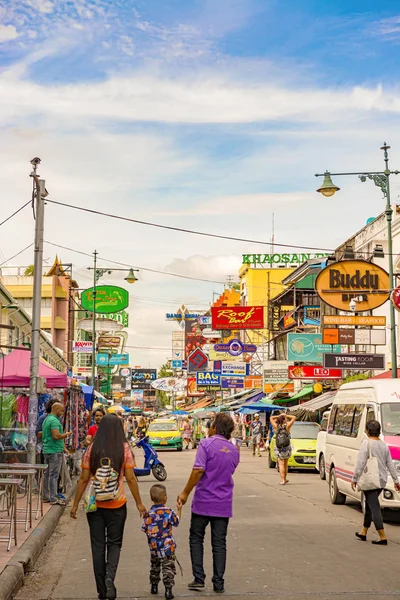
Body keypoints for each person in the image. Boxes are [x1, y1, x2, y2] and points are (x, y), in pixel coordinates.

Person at [70, 415, 146, 600]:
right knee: (114, 544)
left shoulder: (91, 448)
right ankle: (110, 578)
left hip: (94, 506)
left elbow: (83, 479)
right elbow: (130, 478)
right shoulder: (124, 448)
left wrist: (74, 504)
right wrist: (139, 502)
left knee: (97, 546)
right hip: (117, 504)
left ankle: (101, 591)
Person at [177, 412, 239, 594]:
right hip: (223, 503)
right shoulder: (234, 450)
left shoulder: (206, 444)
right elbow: (230, 470)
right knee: (219, 543)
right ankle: (218, 583)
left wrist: (185, 492)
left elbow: (198, 471)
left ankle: (199, 578)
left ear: (215, 428)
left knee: (196, 538)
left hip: (204, 501)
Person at [352, 420, 400, 545]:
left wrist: (355, 478)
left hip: (370, 479)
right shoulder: (384, 445)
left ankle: (382, 535)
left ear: (368, 431)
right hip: (381, 480)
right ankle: (364, 531)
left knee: (374, 507)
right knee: (369, 504)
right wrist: (396, 480)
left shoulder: (366, 443)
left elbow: (361, 463)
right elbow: (390, 464)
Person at [142, 484, 182, 600]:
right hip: (167, 547)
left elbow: (145, 529)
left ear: (151, 498)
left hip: (154, 547)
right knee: (168, 567)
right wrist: (179, 509)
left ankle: (154, 586)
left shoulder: (149, 513)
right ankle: (168, 590)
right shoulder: (168, 512)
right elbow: (176, 522)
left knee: (154, 566)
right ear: (165, 498)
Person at [42, 402, 71, 506]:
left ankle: (46, 496)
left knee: (47, 474)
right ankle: (53, 498)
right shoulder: (54, 421)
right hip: (54, 451)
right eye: (62, 410)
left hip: (47, 450)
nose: (62, 413)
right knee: (53, 475)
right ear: (56, 409)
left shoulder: (46, 419)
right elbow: (56, 436)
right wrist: (66, 435)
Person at [270, 412, 296, 485]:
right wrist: (285, 415)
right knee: (285, 464)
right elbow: (294, 417)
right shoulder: (287, 427)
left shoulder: (276, 427)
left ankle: (283, 480)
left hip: (279, 447)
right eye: (286, 419)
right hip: (287, 447)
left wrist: (279, 416)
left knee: (281, 464)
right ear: (284, 420)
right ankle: (284, 478)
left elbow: (271, 418)